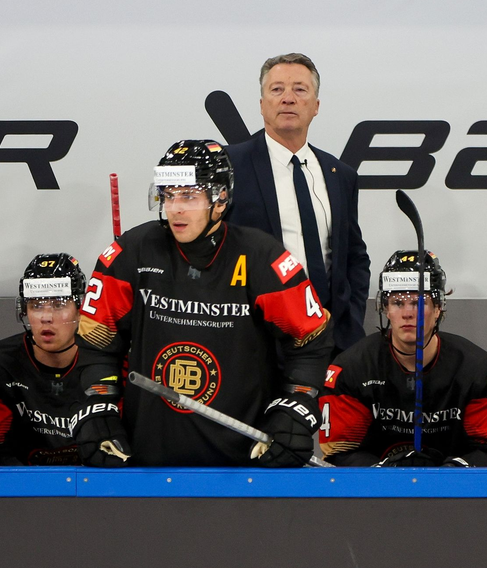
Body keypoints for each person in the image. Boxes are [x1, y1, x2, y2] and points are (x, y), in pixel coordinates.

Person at [78, 139, 333, 467]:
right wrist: (100, 405)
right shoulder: (134, 251)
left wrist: (295, 407)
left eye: (189, 196)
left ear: (221, 199)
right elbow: (97, 340)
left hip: (244, 461)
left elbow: (311, 340)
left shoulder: (261, 256)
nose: (176, 208)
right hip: (147, 457)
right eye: (168, 195)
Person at [226, 52, 370, 354]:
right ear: (262, 104)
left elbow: (354, 256)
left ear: (315, 106)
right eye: (277, 89)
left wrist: (350, 321)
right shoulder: (230, 166)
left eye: (300, 89)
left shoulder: (340, 174)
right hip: (253, 341)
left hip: (328, 339)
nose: (288, 98)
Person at [318, 250, 487, 467]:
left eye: (418, 302)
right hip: (380, 487)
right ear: (385, 309)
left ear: (438, 308)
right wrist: (388, 472)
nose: (407, 313)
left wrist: (447, 473)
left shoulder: (478, 370)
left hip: (454, 487)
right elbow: (339, 456)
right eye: (397, 303)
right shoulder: (352, 369)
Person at [0, 253, 130, 466]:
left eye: (59, 304)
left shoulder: (113, 363)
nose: (46, 317)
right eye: (36, 305)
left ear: (81, 309)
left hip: (99, 482)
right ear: (24, 310)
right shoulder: (4, 363)